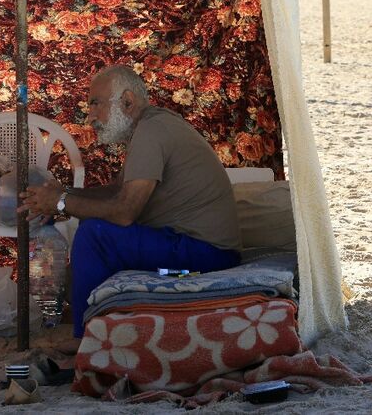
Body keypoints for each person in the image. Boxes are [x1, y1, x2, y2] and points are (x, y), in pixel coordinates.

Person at [19, 65, 242, 341]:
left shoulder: (152, 131)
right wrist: (63, 193)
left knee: (94, 235)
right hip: (195, 248)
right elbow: (116, 193)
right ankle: (96, 321)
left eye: (96, 104)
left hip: (205, 258)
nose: (91, 116)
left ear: (126, 101)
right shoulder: (150, 128)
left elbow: (124, 212)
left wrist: (62, 203)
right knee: (94, 225)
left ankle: (86, 341)